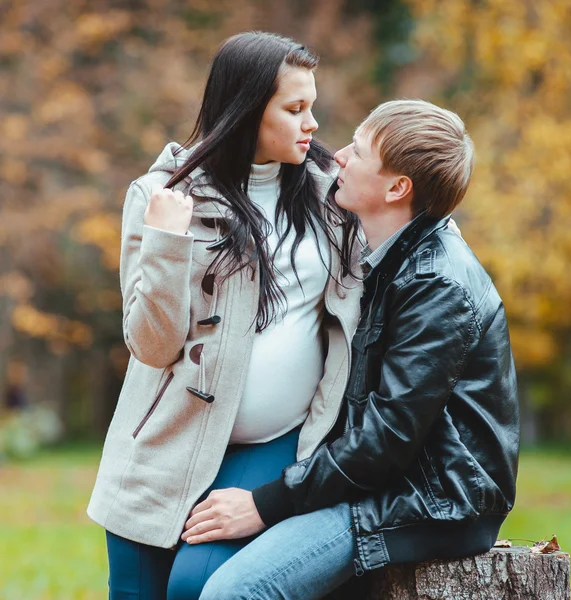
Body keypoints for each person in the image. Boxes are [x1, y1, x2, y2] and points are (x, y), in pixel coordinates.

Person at [183, 99, 520, 600]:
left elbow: (384, 440)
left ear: (396, 187)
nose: (337, 156)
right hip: (385, 486)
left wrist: (264, 504)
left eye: (358, 151)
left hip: (431, 502)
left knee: (231, 592)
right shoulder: (394, 257)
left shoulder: (437, 285)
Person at [87, 31, 364, 600]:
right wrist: (165, 239)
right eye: (294, 109)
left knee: (198, 586)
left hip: (272, 443)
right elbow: (153, 346)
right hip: (165, 445)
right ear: (244, 110)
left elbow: (411, 227)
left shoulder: (333, 197)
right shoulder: (159, 195)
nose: (312, 124)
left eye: (312, 106)